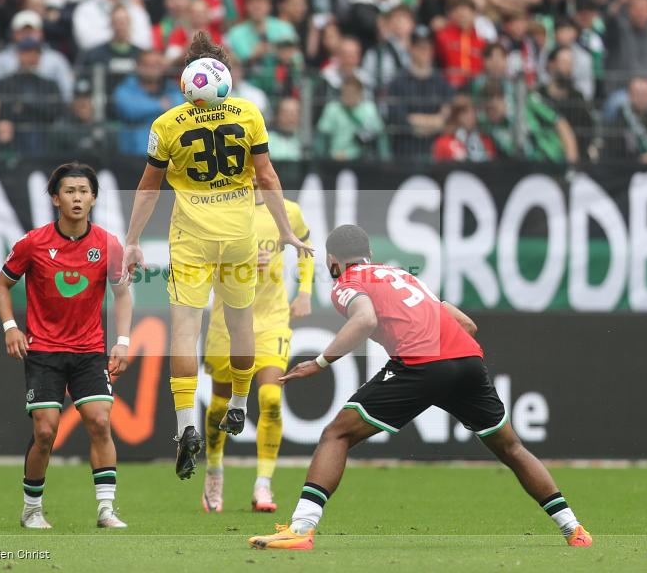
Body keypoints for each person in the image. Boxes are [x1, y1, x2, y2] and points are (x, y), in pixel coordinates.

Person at [248, 224, 593, 550]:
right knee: (512, 448)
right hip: (467, 361)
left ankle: (302, 529)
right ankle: (573, 528)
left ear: (332, 261)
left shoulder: (347, 283)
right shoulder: (405, 276)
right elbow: (467, 325)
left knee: (336, 435)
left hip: (420, 364)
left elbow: (365, 319)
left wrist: (320, 362)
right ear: (369, 253)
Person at [122, 32, 313, 481]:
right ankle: (241, 404)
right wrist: (285, 231)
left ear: (185, 80)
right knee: (241, 322)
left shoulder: (167, 123)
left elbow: (149, 187)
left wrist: (132, 240)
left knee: (185, 329)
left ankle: (185, 425)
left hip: (191, 237)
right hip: (241, 236)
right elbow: (266, 176)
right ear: (225, 75)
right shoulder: (248, 113)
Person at [0, 162, 131, 530]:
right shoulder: (33, 243)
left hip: (89, 351)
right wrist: (10, 327)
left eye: (84, 191)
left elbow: (122, 293)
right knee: (45, 431)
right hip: (44, 352)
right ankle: (32, 509)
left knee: (100, 422)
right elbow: (1, 286)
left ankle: (106, 510)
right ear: (55, 198)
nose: (77, 198)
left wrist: (122, 341)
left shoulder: (107, 244)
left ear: (94, 198)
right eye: (69, 191)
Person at [202, 178, 314, 513]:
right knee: (221, 403)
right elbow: (201, 266)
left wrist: (305, 291)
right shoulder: (218, 212)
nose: (251, 175)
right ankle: (214, 472)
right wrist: (240, 264)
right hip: (228, 323)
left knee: (269, 396)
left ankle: (263, 485)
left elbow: (305, 247)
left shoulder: (287, 211)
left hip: (272, 318)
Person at [386, 29, 453, 159]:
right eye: (420, 47)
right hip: (405, 152)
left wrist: (416, 120)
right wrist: (434, 122)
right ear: (410, 48)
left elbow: (447, 117)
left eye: (428, 47)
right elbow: (398, 119)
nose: (424, 51)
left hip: (437, 153)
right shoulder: (397, 82)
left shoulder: (442, 82)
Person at [0, 10, 74, 104]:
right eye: (23, 31)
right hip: (9, 113)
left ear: (41, 33)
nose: (27, 35)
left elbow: (67, 93)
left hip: (47, 113)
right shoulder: (0, 60)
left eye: (31, 31)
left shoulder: (56, 59)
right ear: (14, 33)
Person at [112, 50, 183, 155]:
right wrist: (160, 105)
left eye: (157, 64)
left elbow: (179, 109)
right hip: (134, 155)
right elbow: (130, 110)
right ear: (137, 66)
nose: (152, 69)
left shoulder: (172, 87)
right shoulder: (126, 87)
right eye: (147, 65)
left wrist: (144, 109)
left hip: (168, 155)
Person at [72, 0, 152, 52]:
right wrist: (118, 39)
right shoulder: (86, 9)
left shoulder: (136, 10)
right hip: (97, 60)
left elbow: (145, 42)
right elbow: (86, 41)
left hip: (133, 59)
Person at [316, 75, 389, 160]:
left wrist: (385, 160)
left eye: (352, 93)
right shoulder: (332, 108)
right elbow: (322, 137)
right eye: (345, 93)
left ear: (360, 94)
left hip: (361, 159)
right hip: (334, 157)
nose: (348, 97)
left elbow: (380, 136)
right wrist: (323, 159)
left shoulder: (369, 109)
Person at [603, 75, 647, 162]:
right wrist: (638, 160)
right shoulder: (618, 125)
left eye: (646, 94)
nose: (642, 99)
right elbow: (612, 159)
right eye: (638, 94)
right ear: (630, 96)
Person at [432, 95, 496, 162]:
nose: (471, 116)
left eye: (473, 112)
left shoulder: (485, 141)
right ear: (456, 116)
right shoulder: (443, 142)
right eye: (465, 112)